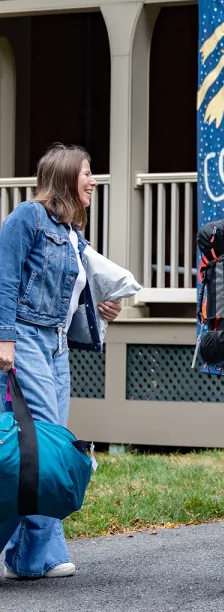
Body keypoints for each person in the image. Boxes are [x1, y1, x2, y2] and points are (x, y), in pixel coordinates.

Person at [0, 144, 121, 579]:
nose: (93, 181)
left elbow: (68, 296)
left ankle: (32, 555)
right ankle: (37, 555)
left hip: (56, 344)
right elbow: (6, 278)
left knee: (48, 444)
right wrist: (5, 340)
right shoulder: (27, 218)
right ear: (67, 176)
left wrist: (100, 308)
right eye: (88, 173)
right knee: (40, 444)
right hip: (26, 338)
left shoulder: (73, 235)